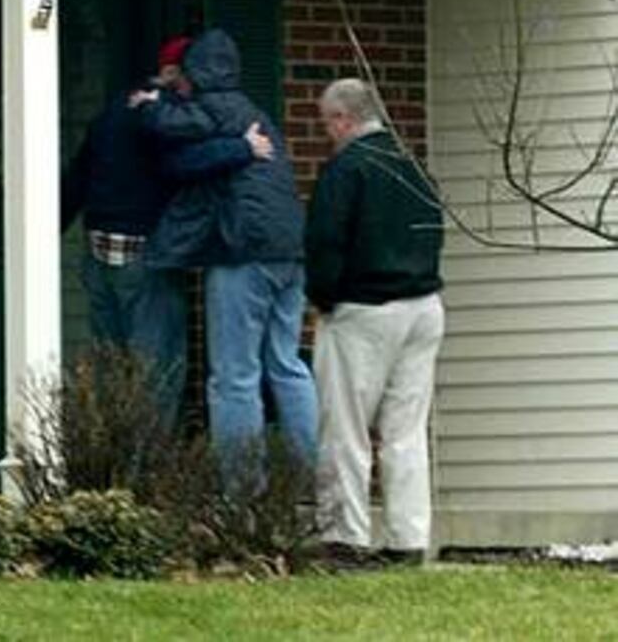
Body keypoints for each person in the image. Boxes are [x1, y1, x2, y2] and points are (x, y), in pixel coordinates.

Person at [61, 35, 275, 430]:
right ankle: (146, 460)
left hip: (98, 249)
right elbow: (181, 163)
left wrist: (50, 233)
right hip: (144, 252)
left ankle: (107, 454)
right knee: (156, 366)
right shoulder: (166, 116)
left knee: (111, 362)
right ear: (177, 72)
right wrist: (241, 148)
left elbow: (78, 176)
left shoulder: (115, 110)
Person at [135, 28, 317, 479]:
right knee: (287, 365)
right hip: (290, 251)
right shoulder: (252, 112)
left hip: (244, 252)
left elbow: (172, 142)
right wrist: (238, 149)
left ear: (193, 74)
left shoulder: (207, 107)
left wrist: (149, 104)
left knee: (234, 375)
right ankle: (314, 478)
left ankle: (241, 490)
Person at [307, 78, 444, 566]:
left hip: (364, 309)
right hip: (424, 306)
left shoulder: (347, 169)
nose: (328, 133)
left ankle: (346, 537)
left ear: (342, 119)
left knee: (346, 428)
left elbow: (325, 242)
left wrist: (323, 298)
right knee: (406, 431)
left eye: (327, 123)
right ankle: (408, 540)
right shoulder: (412, 165)